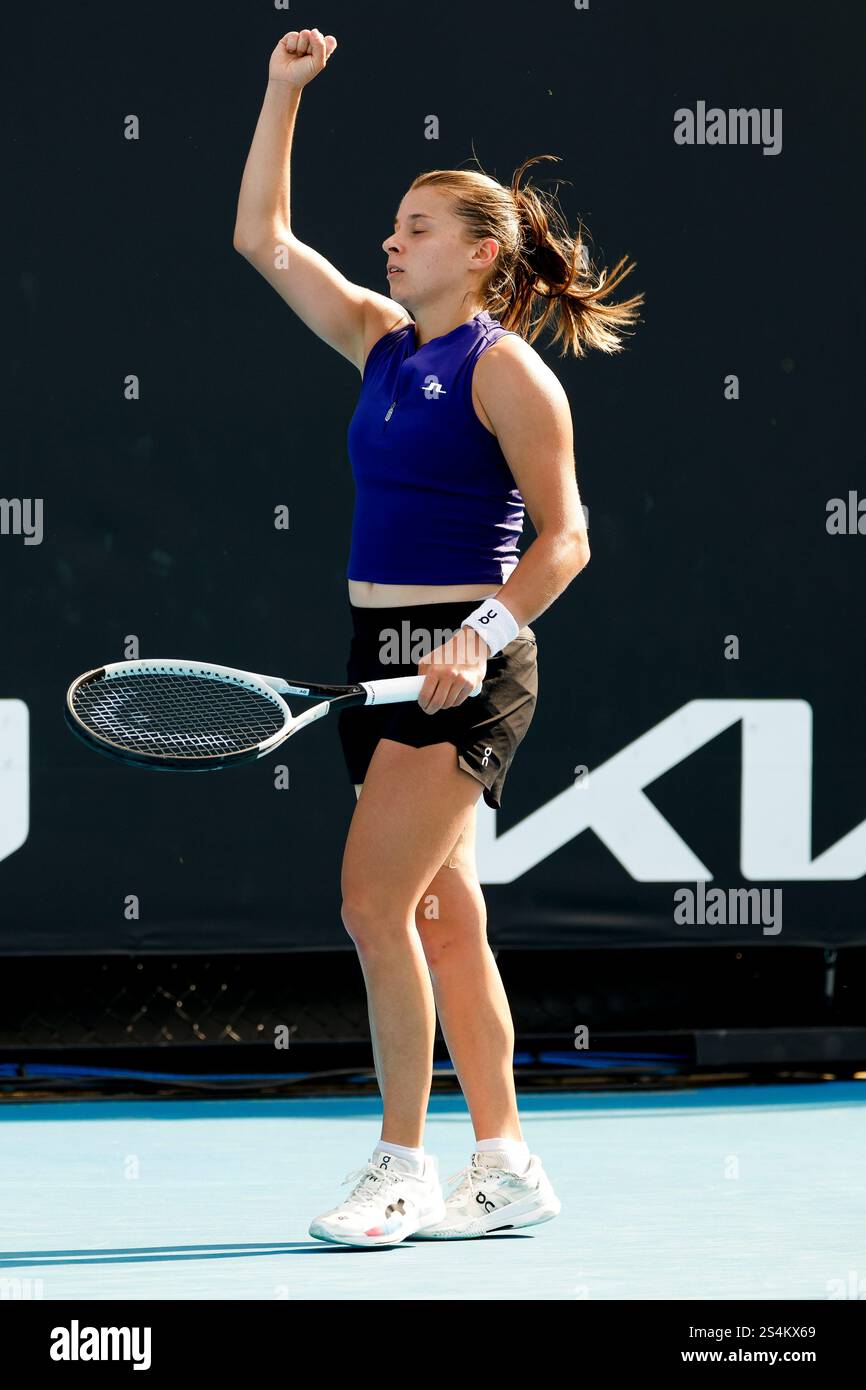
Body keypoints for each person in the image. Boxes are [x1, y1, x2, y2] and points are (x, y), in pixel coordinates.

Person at [233, 27, 643, 1247]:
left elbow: (564, 540)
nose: (389, 242)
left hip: (466, 662)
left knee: (372, 903)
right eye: (393, 227)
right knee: (440, 915)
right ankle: (505, 1161)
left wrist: (477, 630)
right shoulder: (374, 342)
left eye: (414, 228)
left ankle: (401, 1167)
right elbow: (262, 239)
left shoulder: (506, 370)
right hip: (376, 661)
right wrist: (280, 92)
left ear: (477, 255)